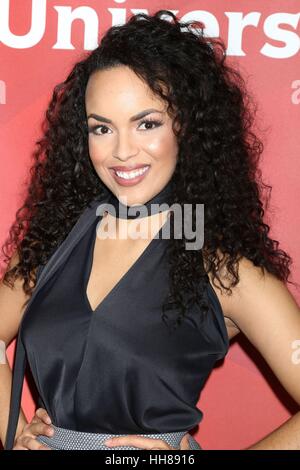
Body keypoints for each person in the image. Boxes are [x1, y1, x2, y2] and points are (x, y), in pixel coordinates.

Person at [1, 9, 300, 451]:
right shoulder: (56, 246)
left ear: (188, 127)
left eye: (147, 123)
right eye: (101, 128)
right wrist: (15, 432)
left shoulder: (220, 268)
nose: (122, 151)